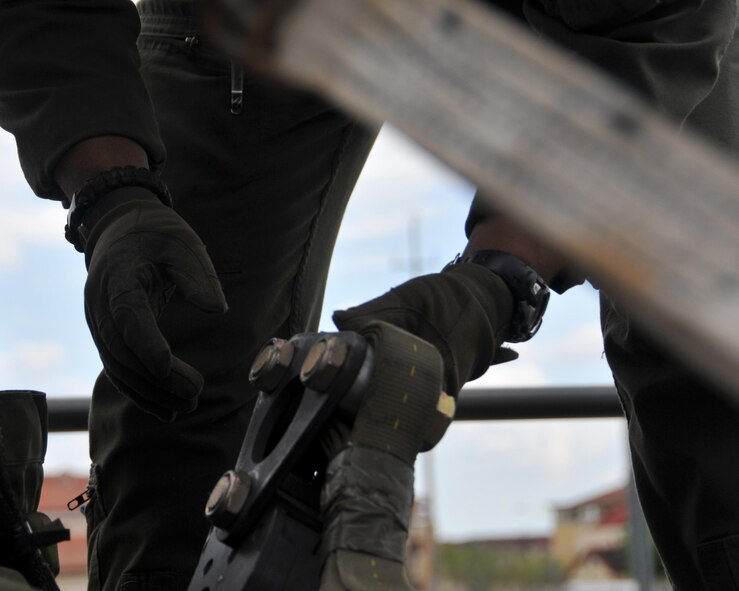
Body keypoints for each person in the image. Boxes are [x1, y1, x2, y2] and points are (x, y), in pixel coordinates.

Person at [0, 0, 737, 590]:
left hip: (612, 23)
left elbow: (648, 30)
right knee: (179, 353)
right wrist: (111, 190)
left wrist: (498, 280)